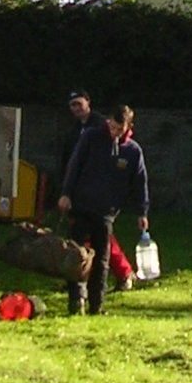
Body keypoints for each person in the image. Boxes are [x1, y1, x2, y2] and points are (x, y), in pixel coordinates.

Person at [57, 103, 149, 315]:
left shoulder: (133, 151)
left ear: (128, 127)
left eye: (119, 129)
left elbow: (140, 182)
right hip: (81, 205)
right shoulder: (91, 137)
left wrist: (142, 211)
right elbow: (75, 165)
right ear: (108, 121)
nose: (114, 132)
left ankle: (97, 306)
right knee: (76, 256)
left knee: (102, 260)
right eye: (112, 126)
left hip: (106, 212)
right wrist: (66, 193)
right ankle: (76, 302)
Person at [62, 90, 135, 287]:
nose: (76, 109)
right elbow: (72, 161)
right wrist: (67, 191)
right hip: (80, 192)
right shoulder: (75, 130)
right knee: (80, 239)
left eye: (79, 104)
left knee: (103, 241)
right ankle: (78, 278)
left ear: (88, 102)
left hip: (101, 197)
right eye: (72, 105)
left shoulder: (101, 127)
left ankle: (123, 273)